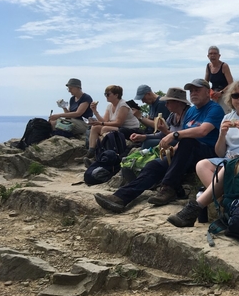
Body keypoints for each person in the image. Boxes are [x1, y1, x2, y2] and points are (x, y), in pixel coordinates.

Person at [93, 79, 224, 213]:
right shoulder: (191, 112)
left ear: (208, 92)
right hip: (187, 151)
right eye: (191, 91)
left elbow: (203, 131)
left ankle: (169, 187)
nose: (193, 93)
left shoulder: (214, 109)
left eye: (197, 90)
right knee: (154, 165)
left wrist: (174, 135)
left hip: (207, 154)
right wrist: (174, 149)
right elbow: (183, 141)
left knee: (187, 141)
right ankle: (120, 198)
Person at [166, 81, 239, 227]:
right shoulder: (228, 117)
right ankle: (227, 204)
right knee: (202, 165)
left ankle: (194, 208)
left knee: (229, 166)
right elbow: (220, 152)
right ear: (230, 99)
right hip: (229, 161)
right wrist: (222, 134)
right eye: (236, 95)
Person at [86, 85, 140, 158]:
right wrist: (95, 111)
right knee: (95, 127)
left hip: (129, 129)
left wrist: (101, 123)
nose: (106, 96)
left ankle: (102, 150)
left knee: (105, 129)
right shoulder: (109, 106)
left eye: (108, 94)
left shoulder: (123, 105)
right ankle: (91, 151)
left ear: (116, 95)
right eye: (105, 94)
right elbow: (104, 121)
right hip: (118, 128)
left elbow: (119, 123)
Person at [205, 46, 233, 112]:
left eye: (215, 54)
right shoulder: (208, 66)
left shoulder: (224, 66)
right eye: (211, 54)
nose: (213, 55)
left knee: (224, 112)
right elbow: (205, 83)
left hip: (224, 93)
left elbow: (231, 83)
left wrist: (221, 92)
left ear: (219, 55)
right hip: (214, 94)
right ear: (208, 56)